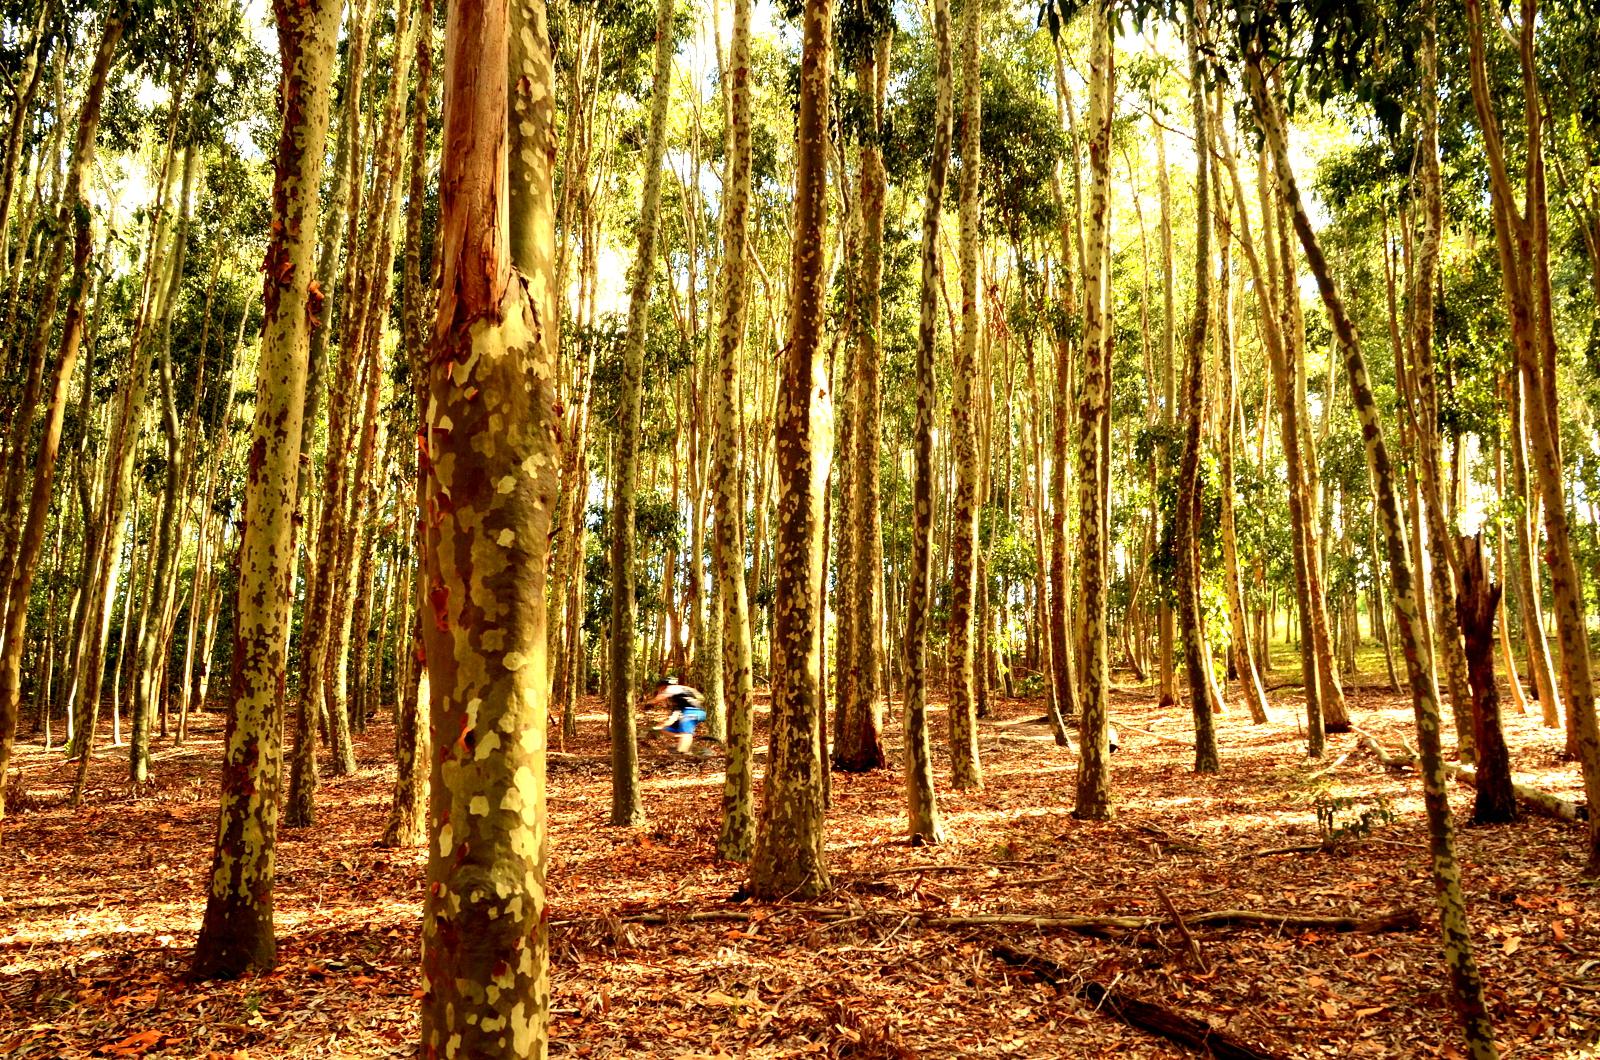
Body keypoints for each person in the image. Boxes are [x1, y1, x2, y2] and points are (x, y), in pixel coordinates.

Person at [645, 678, 708, 754]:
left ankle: (683, 752)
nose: (660, 691)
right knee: (665, 729)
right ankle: (684, 741)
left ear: (664, 686)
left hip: (693, 711)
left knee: (685, 731)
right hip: (687, 711)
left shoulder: (672, 688)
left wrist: (649, 703)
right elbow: (672, 718)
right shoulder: (678, 697)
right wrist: (659, 727)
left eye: (660, 689)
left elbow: (659, 698)